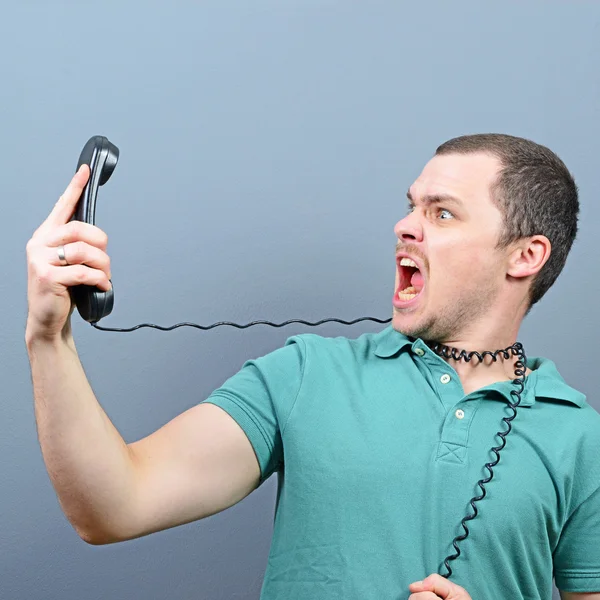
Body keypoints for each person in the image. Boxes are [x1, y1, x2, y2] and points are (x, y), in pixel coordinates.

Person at [25, 133, 600, 600]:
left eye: (443, 214)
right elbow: (112, 507)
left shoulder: (578, 435)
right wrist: (49, 338)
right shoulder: (304, 375)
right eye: (411, 206)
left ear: (525, 256)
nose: (405, 226)